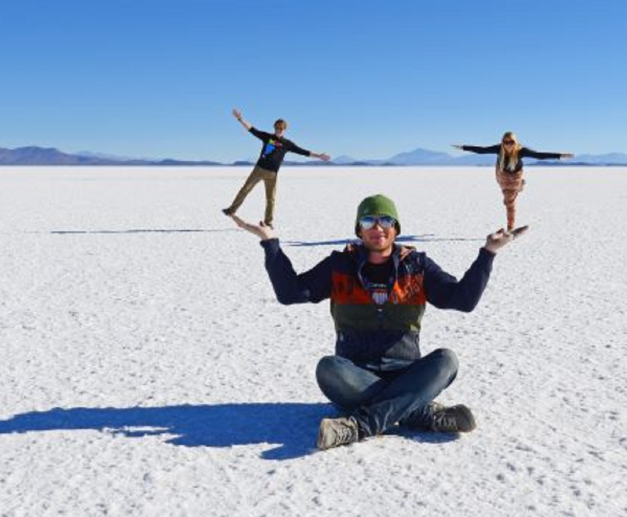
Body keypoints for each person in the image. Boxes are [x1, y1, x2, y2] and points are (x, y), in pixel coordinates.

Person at [231, 194, 526, 450]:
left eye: (385, 220)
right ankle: (418, 411)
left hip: (406, 372)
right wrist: (269, 243)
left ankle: (358, 426)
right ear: (359, 229)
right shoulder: (340, 265)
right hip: (356, 377)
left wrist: (489, 253)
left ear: (396, 228)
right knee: (328, 368)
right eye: (369, 220)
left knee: (446, 360)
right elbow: (290, 293)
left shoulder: (417, 266)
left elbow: (463, 300)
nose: (378, 227)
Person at [222, 109, 331, 228]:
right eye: (277, 128)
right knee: (245, 189)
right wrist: (240, 119)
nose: (279, 130)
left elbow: (303, 152)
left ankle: (268, 222)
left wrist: (319, 156)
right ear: (274, 128)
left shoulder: (287, 144)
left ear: (285, 129)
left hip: (272, 174)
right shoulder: (267, 137)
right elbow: (252, 130)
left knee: (271, 199)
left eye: (281, 128)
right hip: (259, 169)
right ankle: (232, 210)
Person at [453, 132, 573, 231]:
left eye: (511, 142)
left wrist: (559, 156)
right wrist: (463, 147)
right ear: (502, 142)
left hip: (515, 178)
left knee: (509, 202)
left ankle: (510, 228)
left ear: (515, 142)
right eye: (506, 142)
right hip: (502, 176)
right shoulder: (499, 148)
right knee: (509, 195)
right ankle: (520, 186)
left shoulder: (521, 150)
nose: (508, 145)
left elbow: (539, 155)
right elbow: (481, 150)